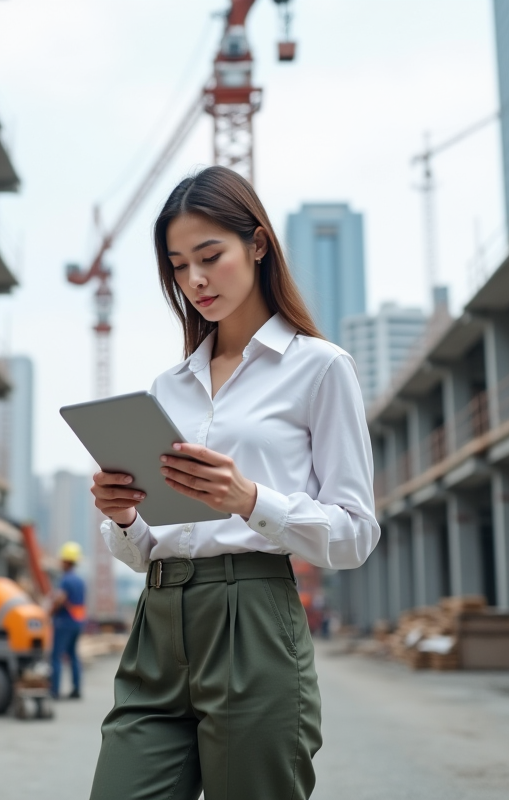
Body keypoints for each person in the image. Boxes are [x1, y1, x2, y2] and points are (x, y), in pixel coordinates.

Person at [87, 166, 380, 800]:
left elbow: (355, 535)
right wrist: (126, 518)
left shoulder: (321, 368)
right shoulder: (170, 388)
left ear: (257, 244)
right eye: (178, 265)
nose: (194, 280)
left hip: (255, 622)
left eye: (209, 256)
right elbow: (149, 549)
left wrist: (251, 501)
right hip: (159, 625)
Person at [51, 541, 86, 699]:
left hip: (64, 622)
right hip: (78, 623)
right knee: (73, 655)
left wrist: (48, 613)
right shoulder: (80, 581)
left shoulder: (65, 580)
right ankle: (76, 689)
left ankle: (55, 691)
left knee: (56, 656)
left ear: (66, 561)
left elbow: (59, 600)